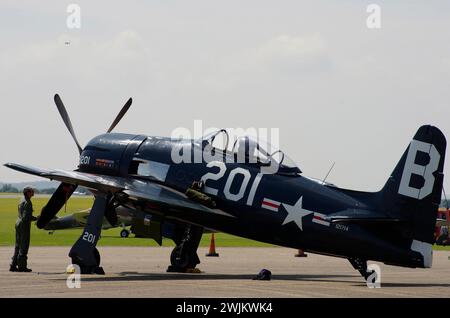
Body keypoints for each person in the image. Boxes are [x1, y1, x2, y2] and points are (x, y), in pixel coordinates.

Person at [10, 186, 38, 272]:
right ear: (28, 193)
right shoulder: (28, 202)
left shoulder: (22, 199)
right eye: (31, 191)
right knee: (24, 246)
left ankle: (13, 265)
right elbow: (26, 217)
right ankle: (22, 267)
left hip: (18, 223)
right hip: (24, 225)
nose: (33, 192)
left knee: (17, 245)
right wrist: (36, 218)